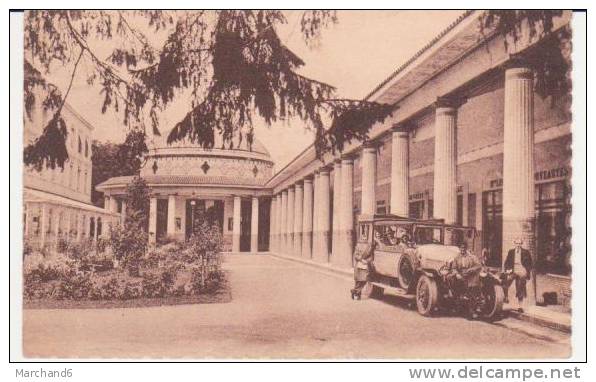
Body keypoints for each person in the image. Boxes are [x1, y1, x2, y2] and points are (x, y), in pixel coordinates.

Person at [446, 243, 482, 319]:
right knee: (454, 286)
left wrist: (470, 270)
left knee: (472, 291)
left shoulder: (472, 257)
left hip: (470, 275)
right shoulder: (457, 258)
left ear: (466, 249)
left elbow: (478, 265)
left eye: (464, 248)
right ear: (459, 249)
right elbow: (454, 268)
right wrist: (456, 274)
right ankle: (457, 308)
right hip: (460, 275)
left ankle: (472, 311)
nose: (462, 250)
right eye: (461, 248)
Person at [503, 238, 533, 312]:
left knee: (520, 287)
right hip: (513, 270)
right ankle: (505, 297)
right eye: (517, 243)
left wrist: (526, 270)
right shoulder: (511, 252)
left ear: (521, 244)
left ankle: (520, 306)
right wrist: (508, 269)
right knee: (505, 281)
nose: (518, 245)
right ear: (515, 243)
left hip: (522, 269)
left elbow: (530, 263)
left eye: (519, 243)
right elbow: (506, 262)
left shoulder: (525, 252)